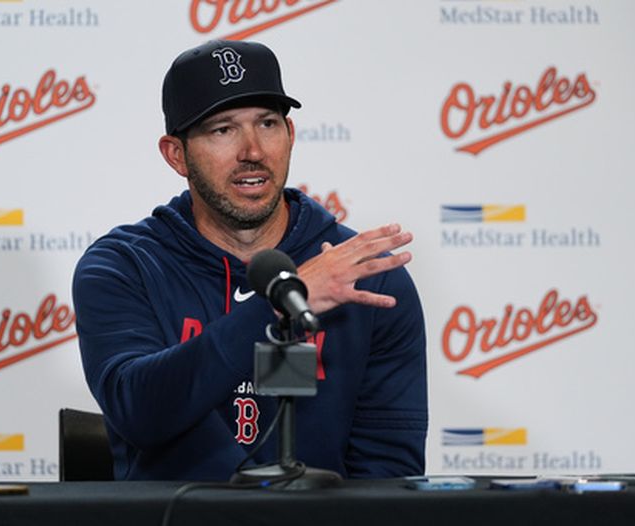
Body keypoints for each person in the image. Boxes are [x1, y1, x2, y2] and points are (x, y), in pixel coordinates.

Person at [72, 39, 427, 481]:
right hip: (174, 515)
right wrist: (283, 302)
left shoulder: (366, 279)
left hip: (320, 517)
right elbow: (140, 412)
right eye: (223, 130)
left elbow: (388, 472)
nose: (253, 152)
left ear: (290, 134)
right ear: (176, 154)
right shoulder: (124, 267)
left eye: (267, 123)